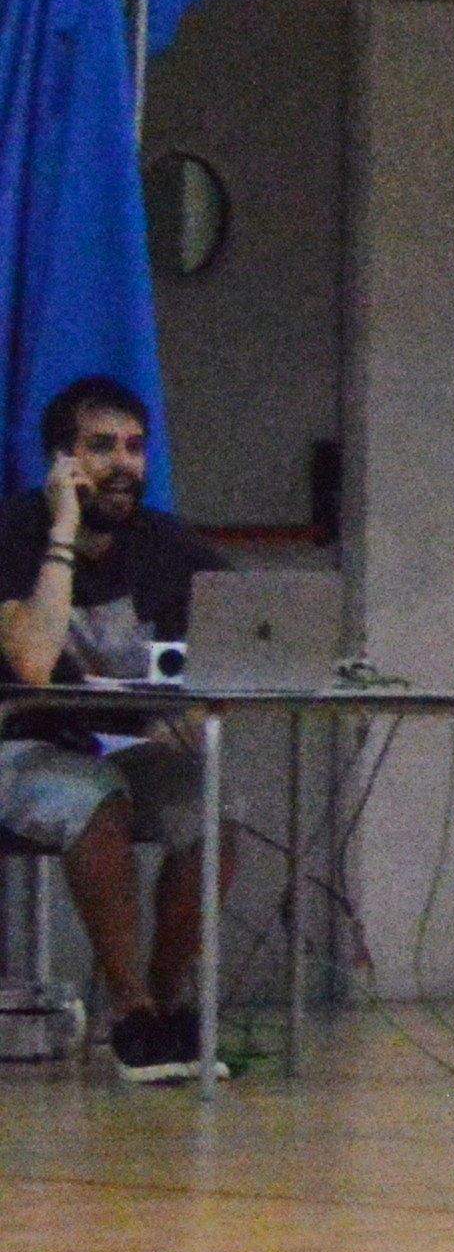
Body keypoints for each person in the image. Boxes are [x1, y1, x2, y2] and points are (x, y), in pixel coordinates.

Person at [5, 381, 219, 1088]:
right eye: (101, 447)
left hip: (121, 746)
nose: (123, 464)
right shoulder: (12, 534)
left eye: (134, 447)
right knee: (93, 799)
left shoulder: (169, 546)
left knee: (209, 806)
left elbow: (245, 639)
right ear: (62, 461)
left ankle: (159, 1001)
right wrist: (62, 533)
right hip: (17, 742)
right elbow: (34, 662)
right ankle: (129, 1010)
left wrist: (190, 713)